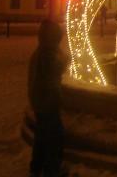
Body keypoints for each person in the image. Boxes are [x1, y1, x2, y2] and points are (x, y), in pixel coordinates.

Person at [28, 20, 68, 177]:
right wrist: (66, 60)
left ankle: (36, 167)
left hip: (38, 101)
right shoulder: (47, 54)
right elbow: (55, 71)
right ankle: (52, 170)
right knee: (56, 137)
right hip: (48, 102)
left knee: (41, 135)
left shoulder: (40, 51)